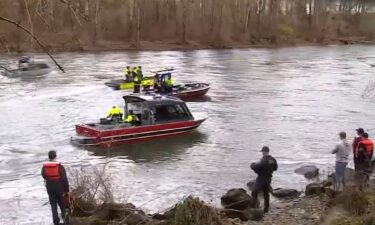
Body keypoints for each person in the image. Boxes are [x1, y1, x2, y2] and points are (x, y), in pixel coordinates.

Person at [41, 150, 69, 225]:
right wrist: (67, 190)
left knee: (53, 205)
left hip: (50, 188)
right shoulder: (60, 166)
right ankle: (65, 220)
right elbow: (64, 179)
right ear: (55, 156)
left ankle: (56, 222)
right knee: (62, 205)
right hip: (60, 189)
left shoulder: (44, 167)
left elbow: (43, 175)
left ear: (49, 157)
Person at [250, 146, 278, 213]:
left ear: (263, 152)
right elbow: (275, 168)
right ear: (268, 151)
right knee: (266, 193)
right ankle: (266, 209)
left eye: (262, 152)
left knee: (254, 192)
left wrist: (252, 165)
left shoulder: (263, 160)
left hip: (261, 178)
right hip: (268, 178)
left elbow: (256, 167)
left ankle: (253, 208)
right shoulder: (273, 160)